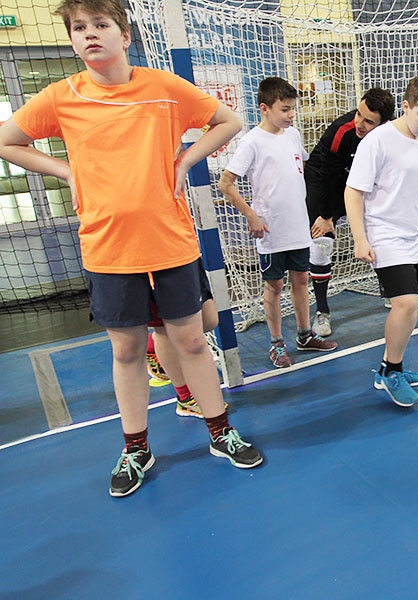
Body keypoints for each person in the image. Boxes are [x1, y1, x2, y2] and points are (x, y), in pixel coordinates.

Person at [0, 0, 263, 497]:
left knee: (190, 341)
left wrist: (186, 161)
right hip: (108, 247)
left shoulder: (163, 89)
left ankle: (219, 430)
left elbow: (227, 121)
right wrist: (66, 170)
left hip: (169, 238)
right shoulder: (61, 97)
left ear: (124, 34)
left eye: (100, 25)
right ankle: (136, 447)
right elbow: (6, 140)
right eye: (79, 28)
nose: (89, 34)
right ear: (73, 39)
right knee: (126, 350)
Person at [218, 76, 337, 369]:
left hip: (298, 226)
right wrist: (251, 215)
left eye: (292, 108)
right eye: (284, 109)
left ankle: (304, 335)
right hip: (270, 230)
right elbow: (225, 183)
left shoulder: (293, 135)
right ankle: (276, 343)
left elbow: (300, 170)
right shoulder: (251, 142)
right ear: (264, 108)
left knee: (301, 280)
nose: (290, 115)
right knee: (273, 286)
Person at [344, 73, 418, 407]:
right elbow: (353, 191)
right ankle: (392, 372)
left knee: (414, 305)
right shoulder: (378, 141)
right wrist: (360, 238)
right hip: (385, 234)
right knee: (404, 303)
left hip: (416, 236)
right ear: (405, 107)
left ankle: (388, 365)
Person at [304, 88, 396, 337]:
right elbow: (328, 177)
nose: (359, 123)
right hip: (322, 181)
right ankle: (322, 312)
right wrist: (326, 216)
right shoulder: (342, 131)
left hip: (357, 182)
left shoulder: (390, 136)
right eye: (358, 114)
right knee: (321, 242)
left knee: (378, 230)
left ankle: (390, 289)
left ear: (383, 124)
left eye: (368, 121)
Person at [146, 268, 229, 418]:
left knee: (209, 320)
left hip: (183, 254)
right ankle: (185, 397)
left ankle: (151, 345)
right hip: (152, 263)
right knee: (164, 328)